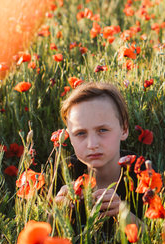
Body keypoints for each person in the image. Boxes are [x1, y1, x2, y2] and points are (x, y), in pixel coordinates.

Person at [54, 82, 143, 234]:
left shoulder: (140, 172)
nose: (92, 144)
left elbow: (159, 237)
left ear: (124, 129)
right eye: (80, 133)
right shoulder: (65, 172)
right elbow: (44, 237)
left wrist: (123, 213)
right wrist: (56, 214)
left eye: (102, 130)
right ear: (69, 136)